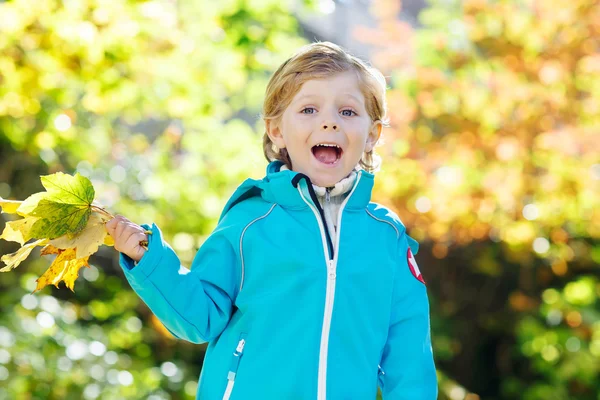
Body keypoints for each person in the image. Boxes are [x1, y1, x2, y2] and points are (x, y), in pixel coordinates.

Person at [106, 41, 437, 400]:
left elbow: (409, 357)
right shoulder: (250, 221)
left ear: (372, 135)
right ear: (277, 130)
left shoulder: (387, 237)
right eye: (309, 109)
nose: (329, 121)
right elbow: (200, 317)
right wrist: (149, 259)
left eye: (347, 112)